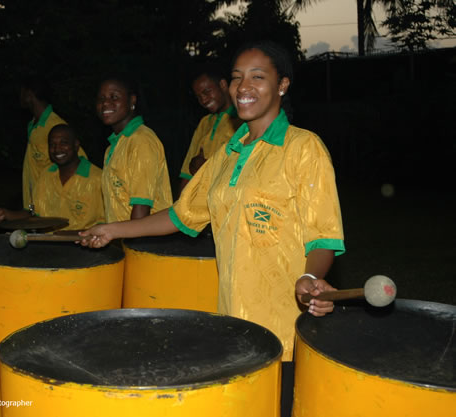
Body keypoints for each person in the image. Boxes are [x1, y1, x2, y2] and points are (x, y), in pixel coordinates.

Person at [80, 41, 345, 416]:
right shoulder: (228, 154)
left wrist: (309, 277)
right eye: (237, 78)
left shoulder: (303, 148)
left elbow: (325, 237)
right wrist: (112, 230)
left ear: (282, 85)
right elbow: (179, 216)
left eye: (258, 77)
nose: (243, 87)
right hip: (234, 323)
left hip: (285, 329)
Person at [0, 124, 104, 230]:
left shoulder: (98, 178)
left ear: (76, 145)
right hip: (49, 247)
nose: (57, 149)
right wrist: (5, 214)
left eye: (64, 143)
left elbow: (107, 223)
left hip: (84, 250)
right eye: (52, 144)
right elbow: (33, 214)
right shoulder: (46, 174)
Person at [96, 76, 172, 222]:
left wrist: (133, 242)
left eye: (114, 97)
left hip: (144, 242)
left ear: (132, 101)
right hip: (123, 240)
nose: (105, 103)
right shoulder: (115, 145)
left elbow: (142, 208)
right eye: (101, 98)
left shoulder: (141, 140)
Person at [20, 76, 87, 212]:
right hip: (35, 202)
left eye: (21, 93)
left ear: (29, 95)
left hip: (53, 202)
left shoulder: (55, 126)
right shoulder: (33, 124)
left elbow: (81, 161)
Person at [178, 64, 240, 196]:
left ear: (223, 85)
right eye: (198, 96)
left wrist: (206, 167)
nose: (203, 100)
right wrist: (179, 206)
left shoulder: (241, 121)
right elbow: (186, 173)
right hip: (200, 203)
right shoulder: (205, 122)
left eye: (207, 92)